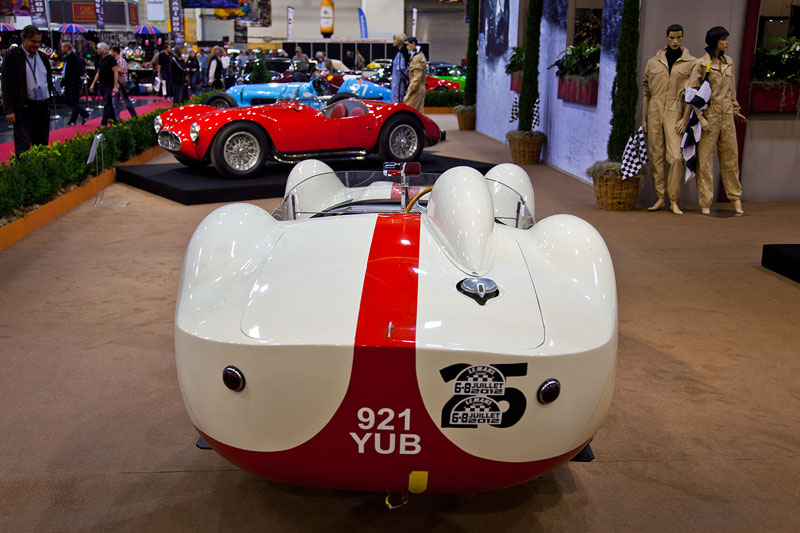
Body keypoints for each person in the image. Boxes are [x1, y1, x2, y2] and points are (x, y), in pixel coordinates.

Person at [683, 26, 747, 215]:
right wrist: (700, 118)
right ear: (715, 41)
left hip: (726, 116)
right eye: (723, 40)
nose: (727, 43)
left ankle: (735, 198)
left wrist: (736, 110)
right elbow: (691, 93)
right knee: (705, 161)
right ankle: (705, 201)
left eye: (727, 39)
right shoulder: (702, 64)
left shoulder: (729, 63)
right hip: (709, 117)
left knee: (730, 159)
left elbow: (731, 91)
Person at [641, 24, 696, 215]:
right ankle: (660, 197)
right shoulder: (653, 63)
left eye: (678, 38)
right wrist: (644, 119)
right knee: (656, 156)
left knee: (676, 158)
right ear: (666, 37)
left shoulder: (691, 63)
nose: (675, 41)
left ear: (682, 37)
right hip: (654, 110)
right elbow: (646, 93)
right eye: (672, 38)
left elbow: (692, 94)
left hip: (675, 110)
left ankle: (673, 199)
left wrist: (685, 117)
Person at [2, 25, 56, 155]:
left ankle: (41, 173)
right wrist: (9, 110)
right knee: (23, 147)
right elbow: (6, 84)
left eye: (38, 42)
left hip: (42, 107)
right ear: (24, 39)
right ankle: (24, 174)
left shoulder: (42, 57)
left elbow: (47, 80)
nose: (36, 45)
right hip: (23, 108)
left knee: (42, 146)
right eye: (33, 41)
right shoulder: (12, 57)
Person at [89, 42, 118, 127]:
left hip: (109, 84)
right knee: (108, 103)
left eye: (98, 49)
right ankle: (114, 121)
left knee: (106, 103)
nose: (97, 50)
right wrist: (93, 84)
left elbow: (115, 72)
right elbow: (99, 72)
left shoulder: (110, 59)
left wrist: (115, 86)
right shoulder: (100, 59)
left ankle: (103, 123)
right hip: (102, 83)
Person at [60, 41, 90, 126]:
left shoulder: (75, 58)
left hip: (74, 83)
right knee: (69, 100)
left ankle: (73, 120)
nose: (61, 49)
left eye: (62, 47)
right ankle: (84, 114)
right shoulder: (66, 57)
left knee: (74, 101)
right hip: (68, 83)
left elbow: (80, 70)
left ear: (66, 48)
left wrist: (73, 78)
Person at [110, 45, 137, 119]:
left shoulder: (120, 60)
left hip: (122, 83)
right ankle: (116, 118)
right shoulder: (114, 61)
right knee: (115, 102)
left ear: (115, 52)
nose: (111, 53)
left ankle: (134, 116)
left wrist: (113, 69)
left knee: (126, 101)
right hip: (116, 84)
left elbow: (121, 70)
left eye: (112, 51)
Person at [403, 37, 427, 113]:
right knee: (419, 113)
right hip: (419, 88)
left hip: (417, 89)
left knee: (409, 111)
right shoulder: (418, 55)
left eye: (408, 44)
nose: (407, 47)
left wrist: (409, 92)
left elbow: (417, 77)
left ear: (413, 44)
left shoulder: (417, 58)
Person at [391, 32, 410, 103]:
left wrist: (405, 78)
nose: (394, 41)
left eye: (395, 39)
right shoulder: (399, 52)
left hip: (399, 81)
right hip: (397, 80)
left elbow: (401, 69)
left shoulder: (401, 53)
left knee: (398, 98)